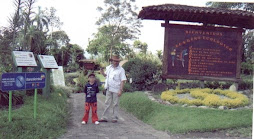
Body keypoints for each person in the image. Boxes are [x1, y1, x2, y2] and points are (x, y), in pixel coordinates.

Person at [99, 55, 127, 123]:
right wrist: (102, 72)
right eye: (114, 61)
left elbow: (123, 80)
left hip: (116, 89)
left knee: (115, 104)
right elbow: (106, 76)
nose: (116, 62)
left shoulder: (121, 70)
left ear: (118, 62)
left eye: (117, 61)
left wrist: (120, 90)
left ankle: (114, 117)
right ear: (112, 61)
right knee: (107, 103)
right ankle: (104, 117)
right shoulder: (109, 68)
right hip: (109, 88)